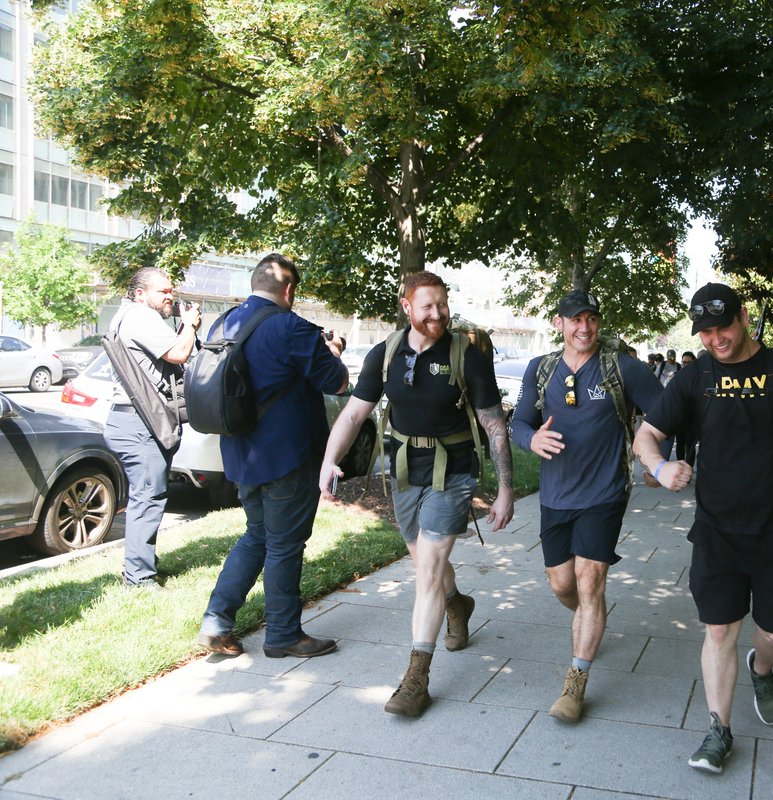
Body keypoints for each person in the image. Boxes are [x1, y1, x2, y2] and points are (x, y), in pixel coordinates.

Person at [632, 282, 773, 774]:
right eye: (706, 332)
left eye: (723, 327)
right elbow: (646, 435)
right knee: (719, 629)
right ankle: (718, 730)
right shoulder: (695, 376)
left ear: (744, 316)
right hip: (717, 529)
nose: (716, 339)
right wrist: (661, 466)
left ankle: (762, 667)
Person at [319, 270, 515, 718]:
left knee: (427, 569)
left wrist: (505, 489)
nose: (437, 314)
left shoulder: (466, 354)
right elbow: (353, 415)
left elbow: (493, 425)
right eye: (427, 306)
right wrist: (329, 460)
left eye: (442, 304)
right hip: (405, 469)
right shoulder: (386, 353)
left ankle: (416, 679)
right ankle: (457, 604)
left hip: (454, 469)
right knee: (426, 562)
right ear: (407, 307)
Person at [509, 290, 663, 723]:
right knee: (563, 585)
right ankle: (590, 617)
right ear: (559, 323)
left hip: (604, 493)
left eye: (591, 318)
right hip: (556, 496)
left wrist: (657, 460)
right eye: (575, 319)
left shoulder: (621, 368)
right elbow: (519, 422)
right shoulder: (541, 369)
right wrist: (531, 439)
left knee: (589, 580)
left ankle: (574, 684)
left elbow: (665, 412)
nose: (584, 327)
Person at [196, 254, 348, 658]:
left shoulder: (224, 322)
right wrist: (333, 351)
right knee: (284, 545)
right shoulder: (291, 327)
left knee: (257, 536)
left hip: (240, 455)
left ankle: (216, 622)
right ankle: (282, 634)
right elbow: (337, 382)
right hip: (287, 457)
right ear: (289, 289)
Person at [105, 267, 202, 590]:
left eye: (170, 290)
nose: (169, 296)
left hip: (133, 419)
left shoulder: (126, 315)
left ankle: (142, 563)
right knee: (149, 497)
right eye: (163, 292)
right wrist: (189, 325)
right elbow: (180, 353)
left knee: (146, 496)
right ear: (140, 294)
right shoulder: (140, 317)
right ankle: (138, 578)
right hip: (139, 422)